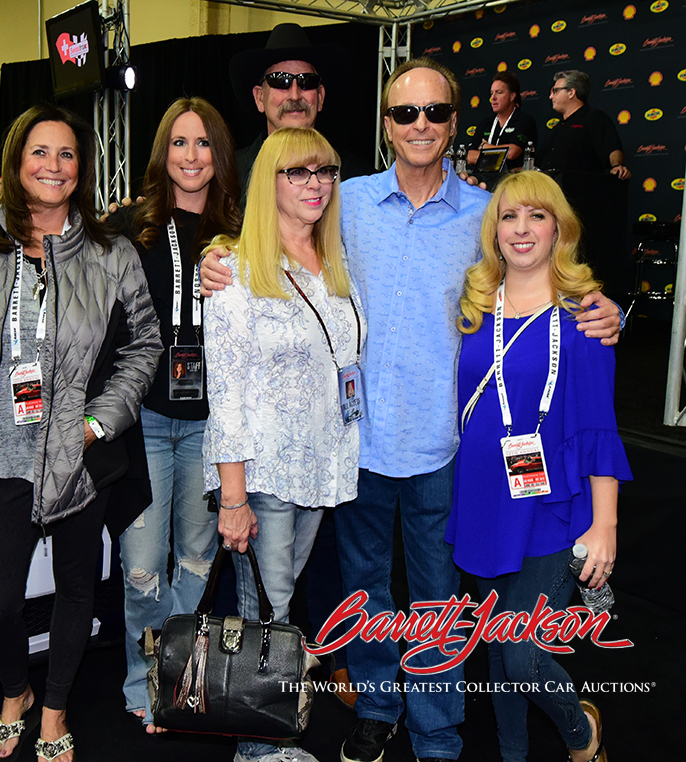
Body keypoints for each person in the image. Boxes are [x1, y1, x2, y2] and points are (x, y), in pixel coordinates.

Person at [201, 57, 622, 762]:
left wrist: (597, 309)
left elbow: (540, 267)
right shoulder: (349, 200)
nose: (419, 124)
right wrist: (222, 255)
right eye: (404, 113)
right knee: (365, 594)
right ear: (388, 125)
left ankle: (436, 730)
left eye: (433, 112)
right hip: (358, 445)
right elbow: (280, 232)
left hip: (446, 448)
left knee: (435, 603)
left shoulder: (487, 212)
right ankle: (377, 707)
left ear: (454, 123)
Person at [0, 103, 161, 762]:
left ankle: (54, 710)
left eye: (66, 154)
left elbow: (144, 346)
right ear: (16, 160)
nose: (54, 166)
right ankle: (16, 693)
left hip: (79, 457)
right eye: (40, 152)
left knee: (76, 594)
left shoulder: (110, 252)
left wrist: (98, 423)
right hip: (0, 454)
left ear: (80, 168)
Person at [448, 170, 631, 762]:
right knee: (499, 647)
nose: (521, 229)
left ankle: (582, 735)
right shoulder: (475, 306)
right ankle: (512, 752)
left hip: (552, 508)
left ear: (560, 229)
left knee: (524, 653)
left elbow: (598, 425)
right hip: (481, 500)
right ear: (493, 230)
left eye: (536, 216)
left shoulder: (586, 317)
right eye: (508, 216)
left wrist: (604, 526)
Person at [204, 127, 362, 762]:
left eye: (324, 171)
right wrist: (232, 496)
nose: (315, 184)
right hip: (263, 476)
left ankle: (264, 738)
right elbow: (229, 389)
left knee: (281, 607)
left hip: (321, 471)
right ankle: (257, 747)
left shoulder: (339, 263)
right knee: (261, 612)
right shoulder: (236, 270)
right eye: (298, 172)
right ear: (269, 182)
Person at [107, 96, 241, 734]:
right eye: (180, 143)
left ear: (220, 153)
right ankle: (141, 678)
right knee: (142, 564)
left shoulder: (242, 229)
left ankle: (174, 677)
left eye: (204, 143)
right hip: (147, 419)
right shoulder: (130, 225)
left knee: (195, 560)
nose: (192, 156)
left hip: (214, 425)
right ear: (163, 151)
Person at [229, 23, 372, 200]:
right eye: (281, 81)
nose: (295, 95)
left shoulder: (357, 180)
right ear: (259, 98)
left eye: (307, 82)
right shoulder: (229, 176)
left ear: (320, 97)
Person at [539, 70, 630, 180]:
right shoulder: (557, 128)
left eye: (555, 91)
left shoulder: (594, 117)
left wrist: (617, 166)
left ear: (571, 92)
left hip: (579, 189)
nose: (551, 97)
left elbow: (612, 147)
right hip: (549, 190)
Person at [466, 71, 537, 171]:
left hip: (513, 182)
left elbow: (512, 153)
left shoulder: (524, 120)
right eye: (492, 93)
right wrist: (501, 154)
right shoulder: (485, 123)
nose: (493, 98)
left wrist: (485, 148)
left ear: (512, 96)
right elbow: (470, 157)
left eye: (499, 93)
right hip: (485, 182)